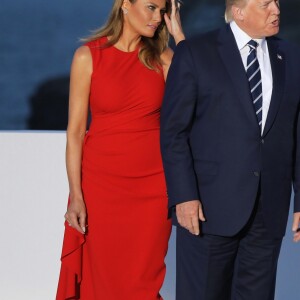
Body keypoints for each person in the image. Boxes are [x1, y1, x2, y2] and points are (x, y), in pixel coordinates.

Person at [160, 0, 300, 299]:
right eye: (266, 4)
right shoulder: (196, 53)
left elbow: (297, 133)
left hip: (268, 213)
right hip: (207, 212)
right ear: (238, 12)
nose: (276, 9)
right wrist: (184, 196)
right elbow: (174, 132)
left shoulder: (291, 56)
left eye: (275, 2)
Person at [56, 0, 185, 299]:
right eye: (151, 7)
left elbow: (201, 93)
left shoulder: (163, 58)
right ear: (125, 5)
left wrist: (179, 37)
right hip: (101, 187)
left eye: (163, 11)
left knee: (142, 279)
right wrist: (76, 195)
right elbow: (75, 132)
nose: (157, 18)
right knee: (101, 279)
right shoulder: (88, 56)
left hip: (154, 188)